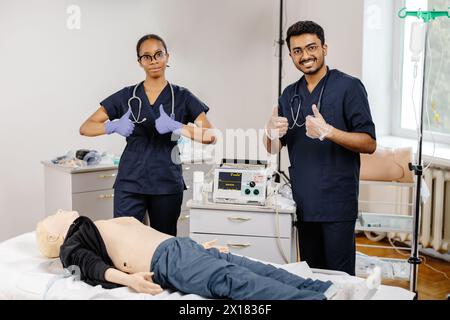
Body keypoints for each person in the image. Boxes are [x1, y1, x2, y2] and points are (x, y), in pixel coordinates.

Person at [35, 210, 379, 300]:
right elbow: (92, 266)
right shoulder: (72, 243)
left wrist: (200, 247)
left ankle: (323, 289)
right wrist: (129, 281)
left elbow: (153, 233)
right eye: (57, 213)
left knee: (251, 266)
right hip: (166, 263)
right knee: (234, 282)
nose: (64, 208)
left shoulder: (100, 222)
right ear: (55, 234)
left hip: (180, 248)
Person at [264, 21, 377, 275]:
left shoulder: (349, 87)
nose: (305, 56)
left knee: (341, 278)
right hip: (304, 202)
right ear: (291, 54)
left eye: (311, 47)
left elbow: (369, 143)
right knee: (313, 277)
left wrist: (330, 132)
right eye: (297, 51)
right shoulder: (289, 94)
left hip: (337, 202)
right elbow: (273, 148)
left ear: (324, 48)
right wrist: (270, 132)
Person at [79, 34, 215, 236]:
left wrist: (177, 126)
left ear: (167, 57)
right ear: (140, 62)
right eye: (147, 56)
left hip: (166, 183)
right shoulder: (127, 95)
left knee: (163, 244)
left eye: (158, 54)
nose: (153, 61)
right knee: (125, 240)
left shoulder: (182, 96)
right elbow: (86, 127)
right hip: (130, 181)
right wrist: (113, 126)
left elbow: (209, 135)